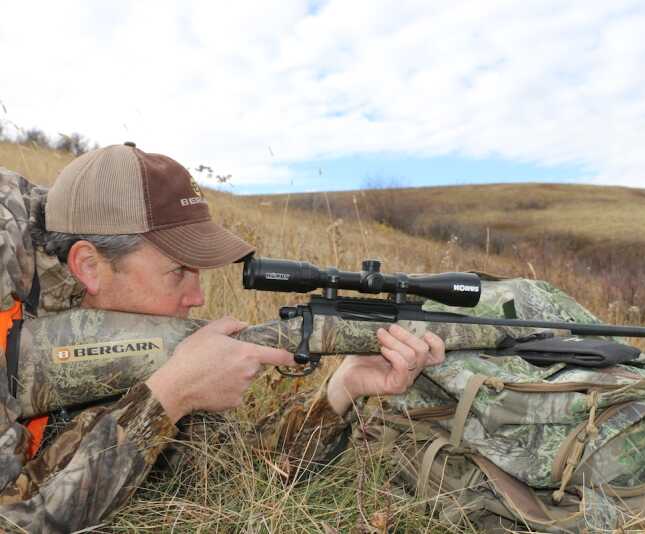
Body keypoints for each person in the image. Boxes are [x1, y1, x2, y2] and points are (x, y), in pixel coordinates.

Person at [0, 143, 445, 532]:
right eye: (178, 272)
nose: (196, 298)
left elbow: (242, 474)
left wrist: (342, 388)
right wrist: (170, 396)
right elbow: (14, 521)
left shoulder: (121, 320)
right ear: (89, 266)